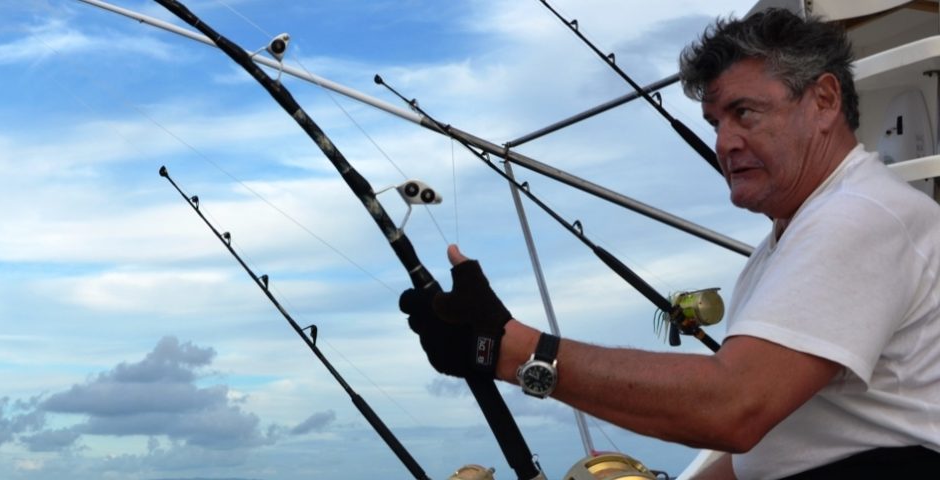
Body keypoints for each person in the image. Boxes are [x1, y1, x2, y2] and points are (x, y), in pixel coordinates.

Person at [400, 8, 940, 479]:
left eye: (744, 113)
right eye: (715, 122)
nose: (725, 143)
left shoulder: (859, 216)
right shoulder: (789, 240)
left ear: (823, 101)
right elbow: (771, 452)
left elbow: (733, 407)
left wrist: (515, 351)